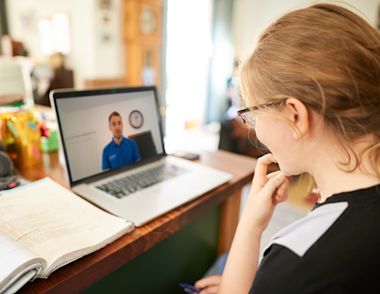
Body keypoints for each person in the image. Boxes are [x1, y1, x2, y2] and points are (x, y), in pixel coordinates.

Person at [195, 3, 380, 293]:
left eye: (254, 114)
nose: (254, 127)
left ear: (295, 115)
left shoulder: (297, 262)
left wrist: (250, 227)